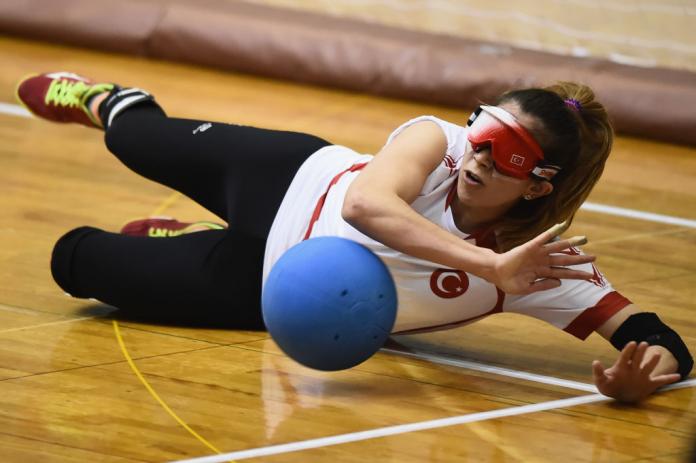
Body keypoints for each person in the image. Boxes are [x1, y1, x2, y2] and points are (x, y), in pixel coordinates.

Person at [16, 72, 692, 402]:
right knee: (133, 138)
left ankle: (189, 238)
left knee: (76, 261)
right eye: (482, 133)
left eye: (505, 156)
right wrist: (490, 269)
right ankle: (117, 100)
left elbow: (660, 338)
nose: (478, 157)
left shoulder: (539, 266)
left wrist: (644, 379)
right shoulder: (438, 140)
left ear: (539, 184)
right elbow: (368, 205)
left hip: (272, 289)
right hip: (284, 180)